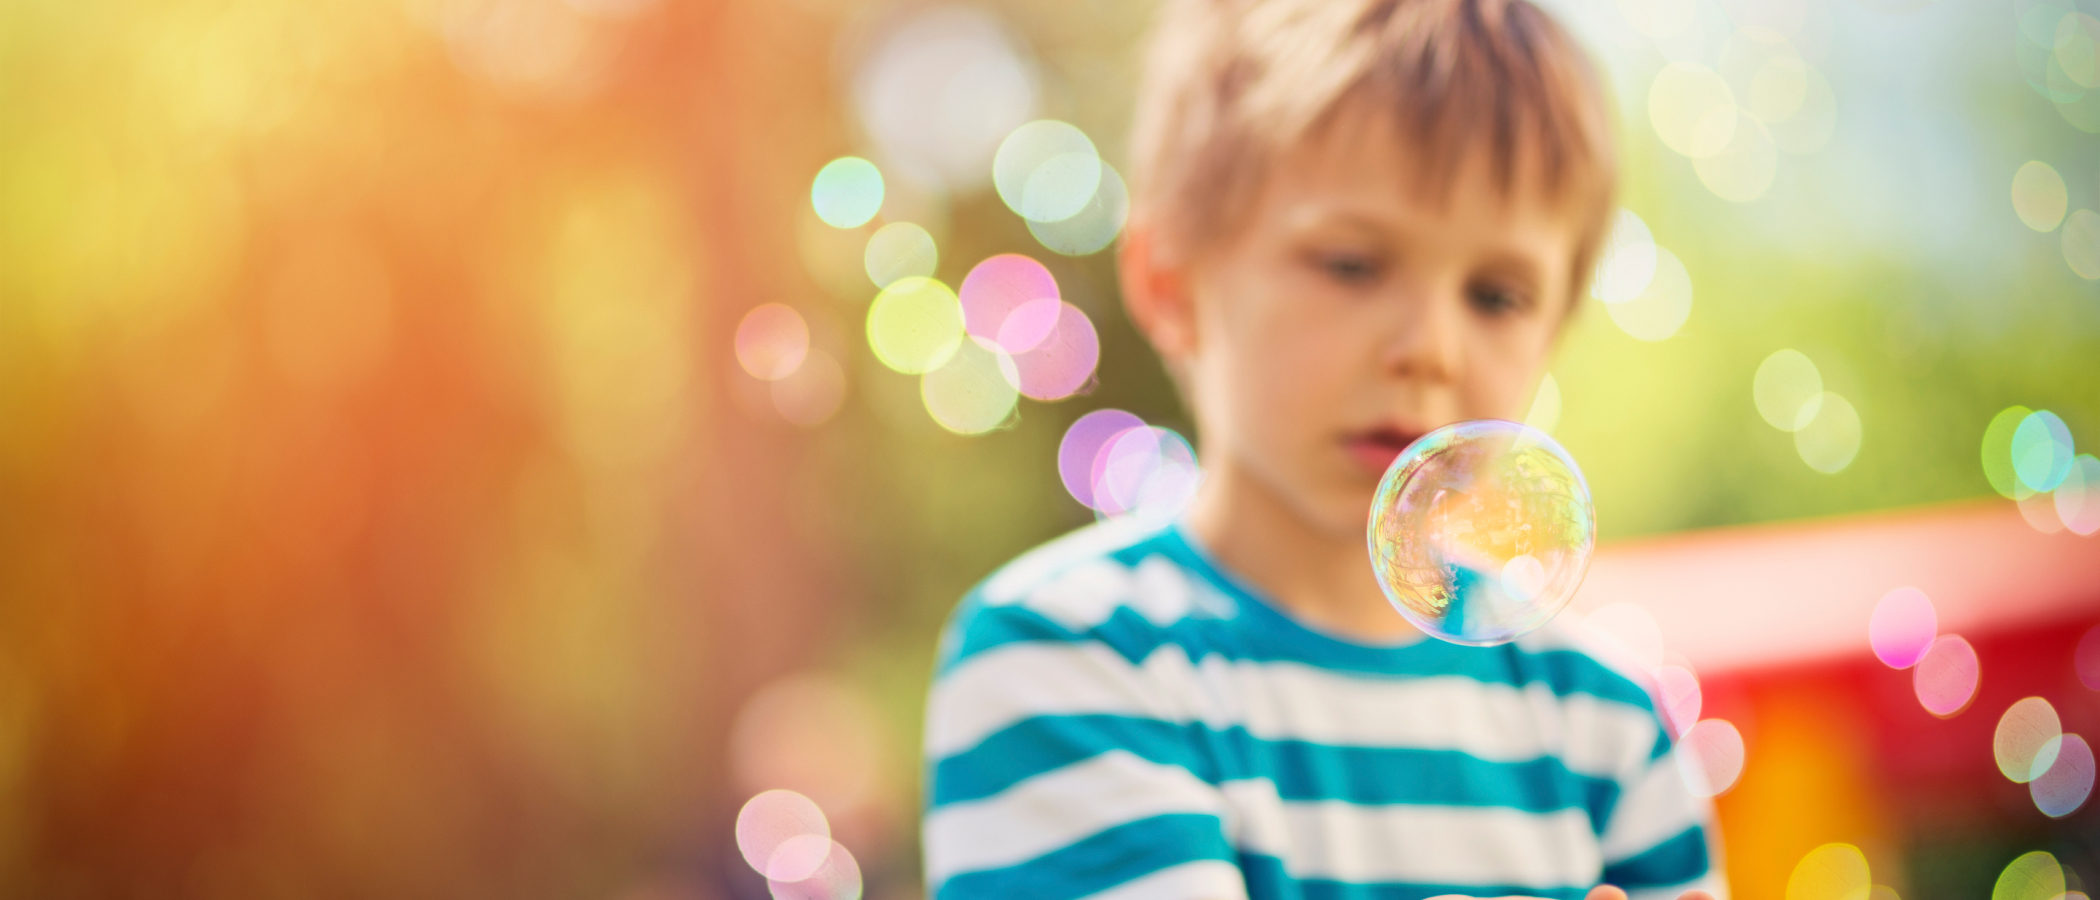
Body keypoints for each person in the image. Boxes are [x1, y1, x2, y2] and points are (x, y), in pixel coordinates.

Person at [920, 0, 1726, 897]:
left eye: (1496, 296)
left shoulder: (1606, 728)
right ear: (1171, 284)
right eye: (1352, 264)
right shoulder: (1066, 658)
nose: (1431, 347)